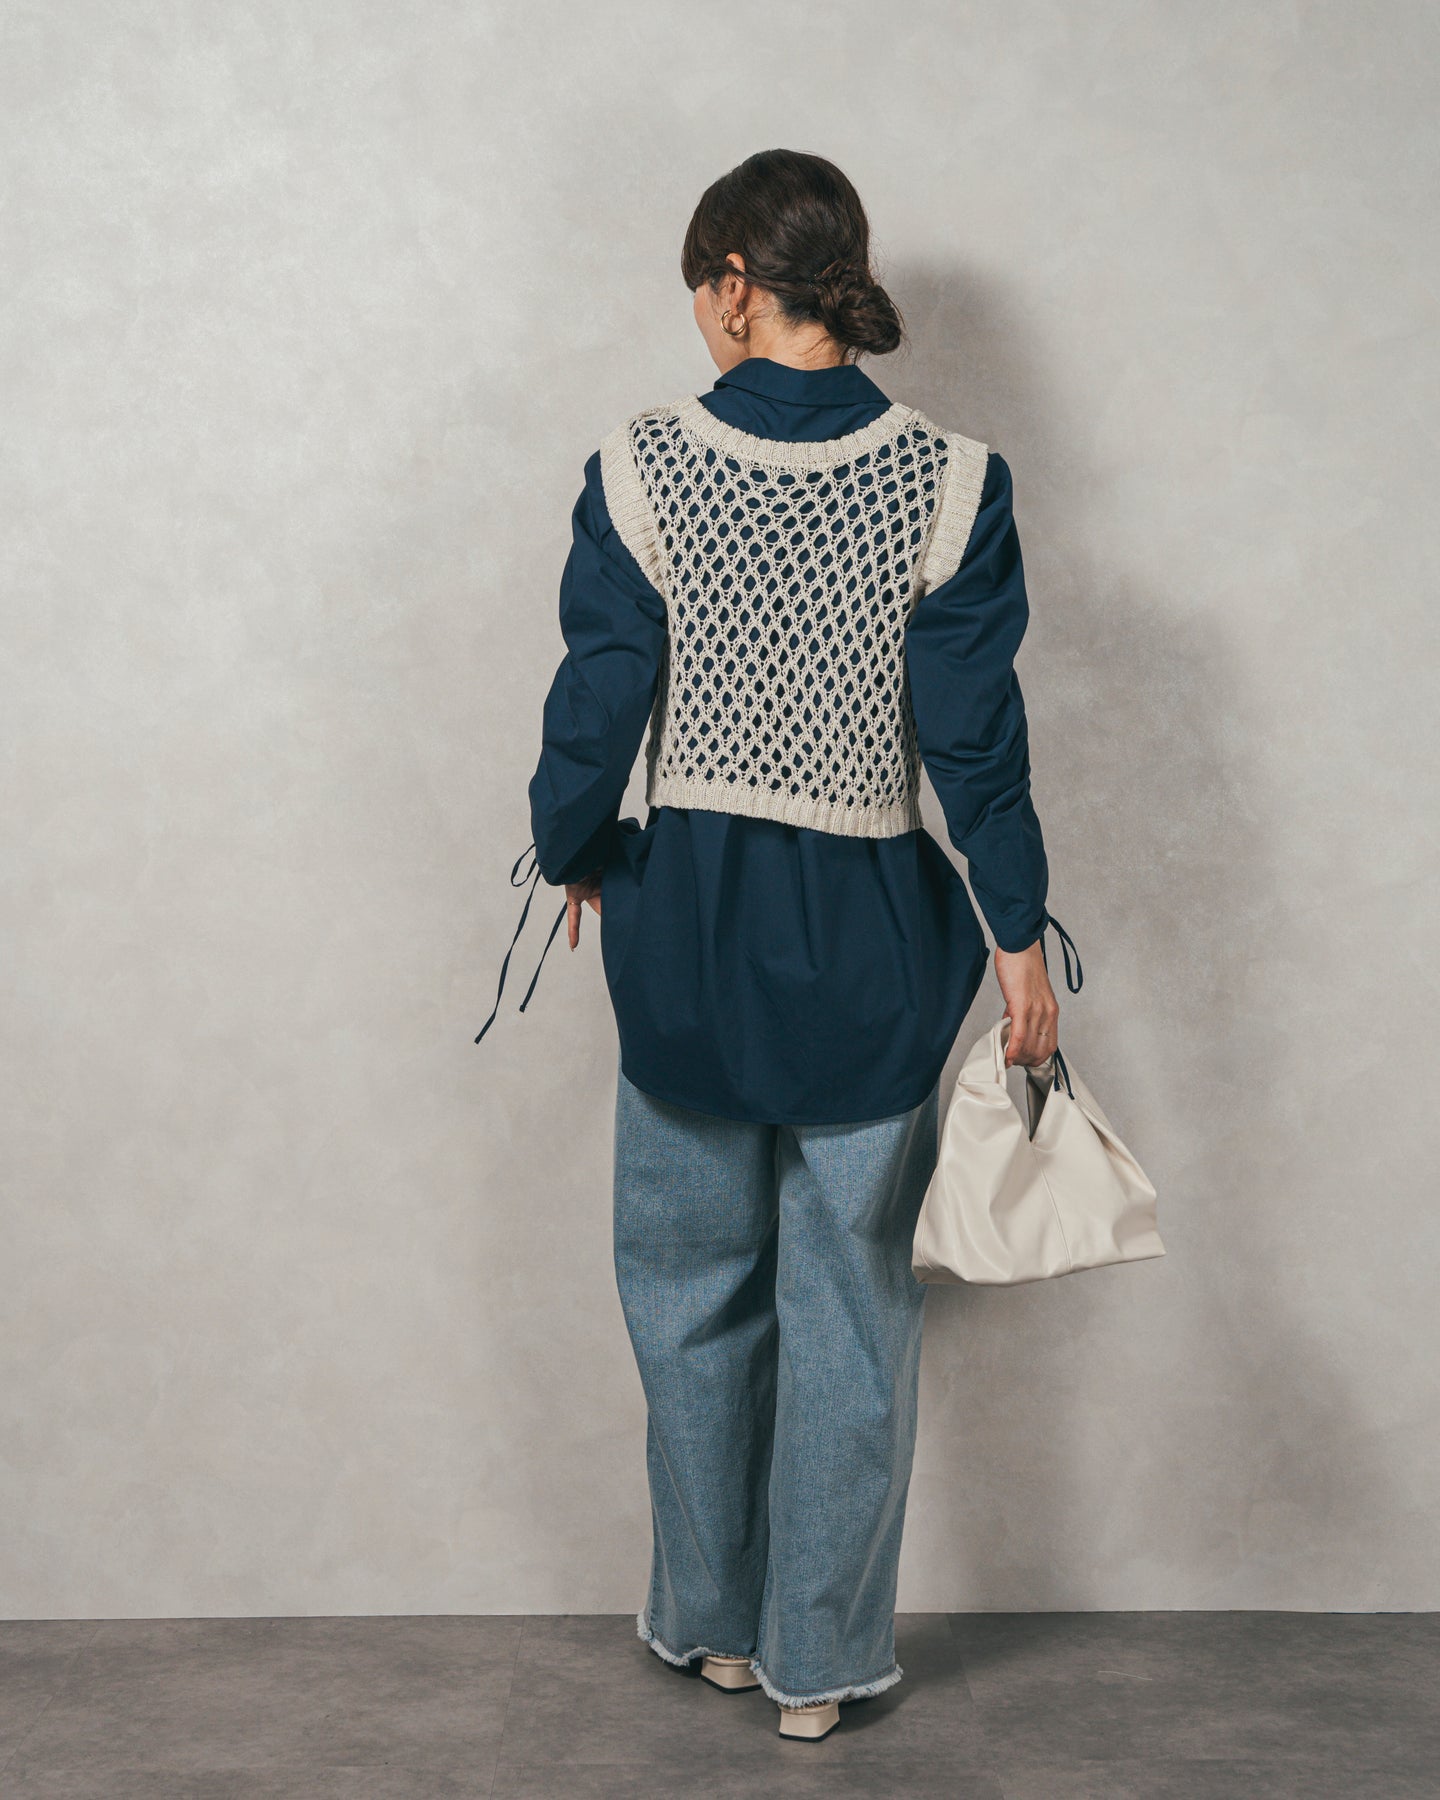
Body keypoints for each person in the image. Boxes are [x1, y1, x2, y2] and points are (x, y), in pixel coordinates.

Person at [477, 148, 1071, 1743]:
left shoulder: (639, 466)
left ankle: (715, 1628)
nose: (695, 314)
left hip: (687, 946)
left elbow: (596, 701)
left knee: (685, 1297)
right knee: (854, 1316)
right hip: (871, 957)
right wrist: (1018, 937)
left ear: (738, 283)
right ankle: (819, 1666)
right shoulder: (955, 481)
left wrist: (578, 848)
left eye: (699, 286)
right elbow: (977, 743)